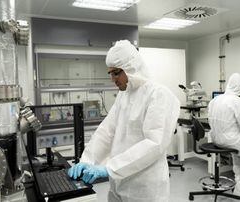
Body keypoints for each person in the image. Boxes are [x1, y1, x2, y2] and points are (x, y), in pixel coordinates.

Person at [68, 40, 180, 202]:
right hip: (118, 182)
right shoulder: (125, 95)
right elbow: (107, 131)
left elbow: (154, 144)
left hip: (144, 189)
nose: (113, 79)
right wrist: (87, 161)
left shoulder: (158, 94)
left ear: (132, 67)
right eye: (110, 74)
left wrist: (109, 168)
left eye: (116, 72)